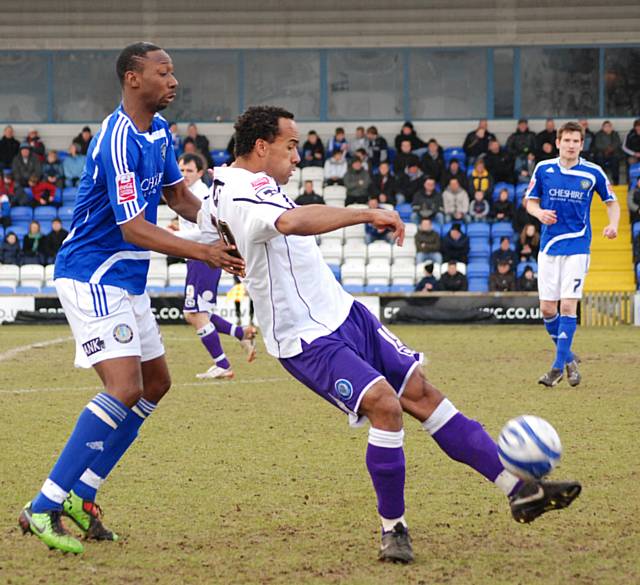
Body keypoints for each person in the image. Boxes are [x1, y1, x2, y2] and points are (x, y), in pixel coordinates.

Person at [211, 105, 581, 564]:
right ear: (262, 146)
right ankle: (394, 529)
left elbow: (198, 205)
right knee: (386, 405)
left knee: (422, 393)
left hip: (345, 312)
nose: (297, 157)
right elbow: (290, 222)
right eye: (290, 146)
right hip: (305, 337)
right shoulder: (244, 189)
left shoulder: (227, 182)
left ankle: (520, 491)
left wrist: (210, 246)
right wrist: (368, 214)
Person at [18, 42, 244, 555]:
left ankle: (83, 492)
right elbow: (133, 227)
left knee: (156, 383)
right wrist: (201, 253)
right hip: (93, 275)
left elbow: (178, 197)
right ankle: (43, 504)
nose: (173, 81)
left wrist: (224, 227)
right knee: (123, 388)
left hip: (128, 281)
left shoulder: (160, 133)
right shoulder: (117, 139)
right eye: (162, 73)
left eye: (173, 73)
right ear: (132, 79)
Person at [525, 121, 620, 387]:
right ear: (558, 142)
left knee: (567, 306)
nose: (571, 145)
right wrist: (538, 213)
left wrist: (612, 225)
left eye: (575, 141)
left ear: (581, 144)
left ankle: (556, 368)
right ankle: (568, 360)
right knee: (546, 309)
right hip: (549, 247)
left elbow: (612, 203)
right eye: (566, 140)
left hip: (577, 247)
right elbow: (530, 201)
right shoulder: (544, 168)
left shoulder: (593, 172)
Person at [175, 152, 257, 379]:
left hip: (204, 257)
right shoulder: (190, 193)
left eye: (189, 171)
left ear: (200, 173)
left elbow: (204, 231)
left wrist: (174, 235)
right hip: (197, 257)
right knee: (200, 313)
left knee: (194, 313)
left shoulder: (201, 193)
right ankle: (241, 334)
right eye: (181, 170)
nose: (184, 175)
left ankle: (223, 364)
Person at [593, 120, 622, 185]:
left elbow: (617, 143)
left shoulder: (615, 134)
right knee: (599, 161)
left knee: (615, 163)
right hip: (602, 154)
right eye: (606, 126)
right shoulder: (598, 134)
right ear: (602, 127)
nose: (608, 128)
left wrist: (610, 149)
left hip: (613, 154)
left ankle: (616, 182)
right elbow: (597, 144)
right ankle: (602, 182)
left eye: (609, 126)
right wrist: (605, 150)